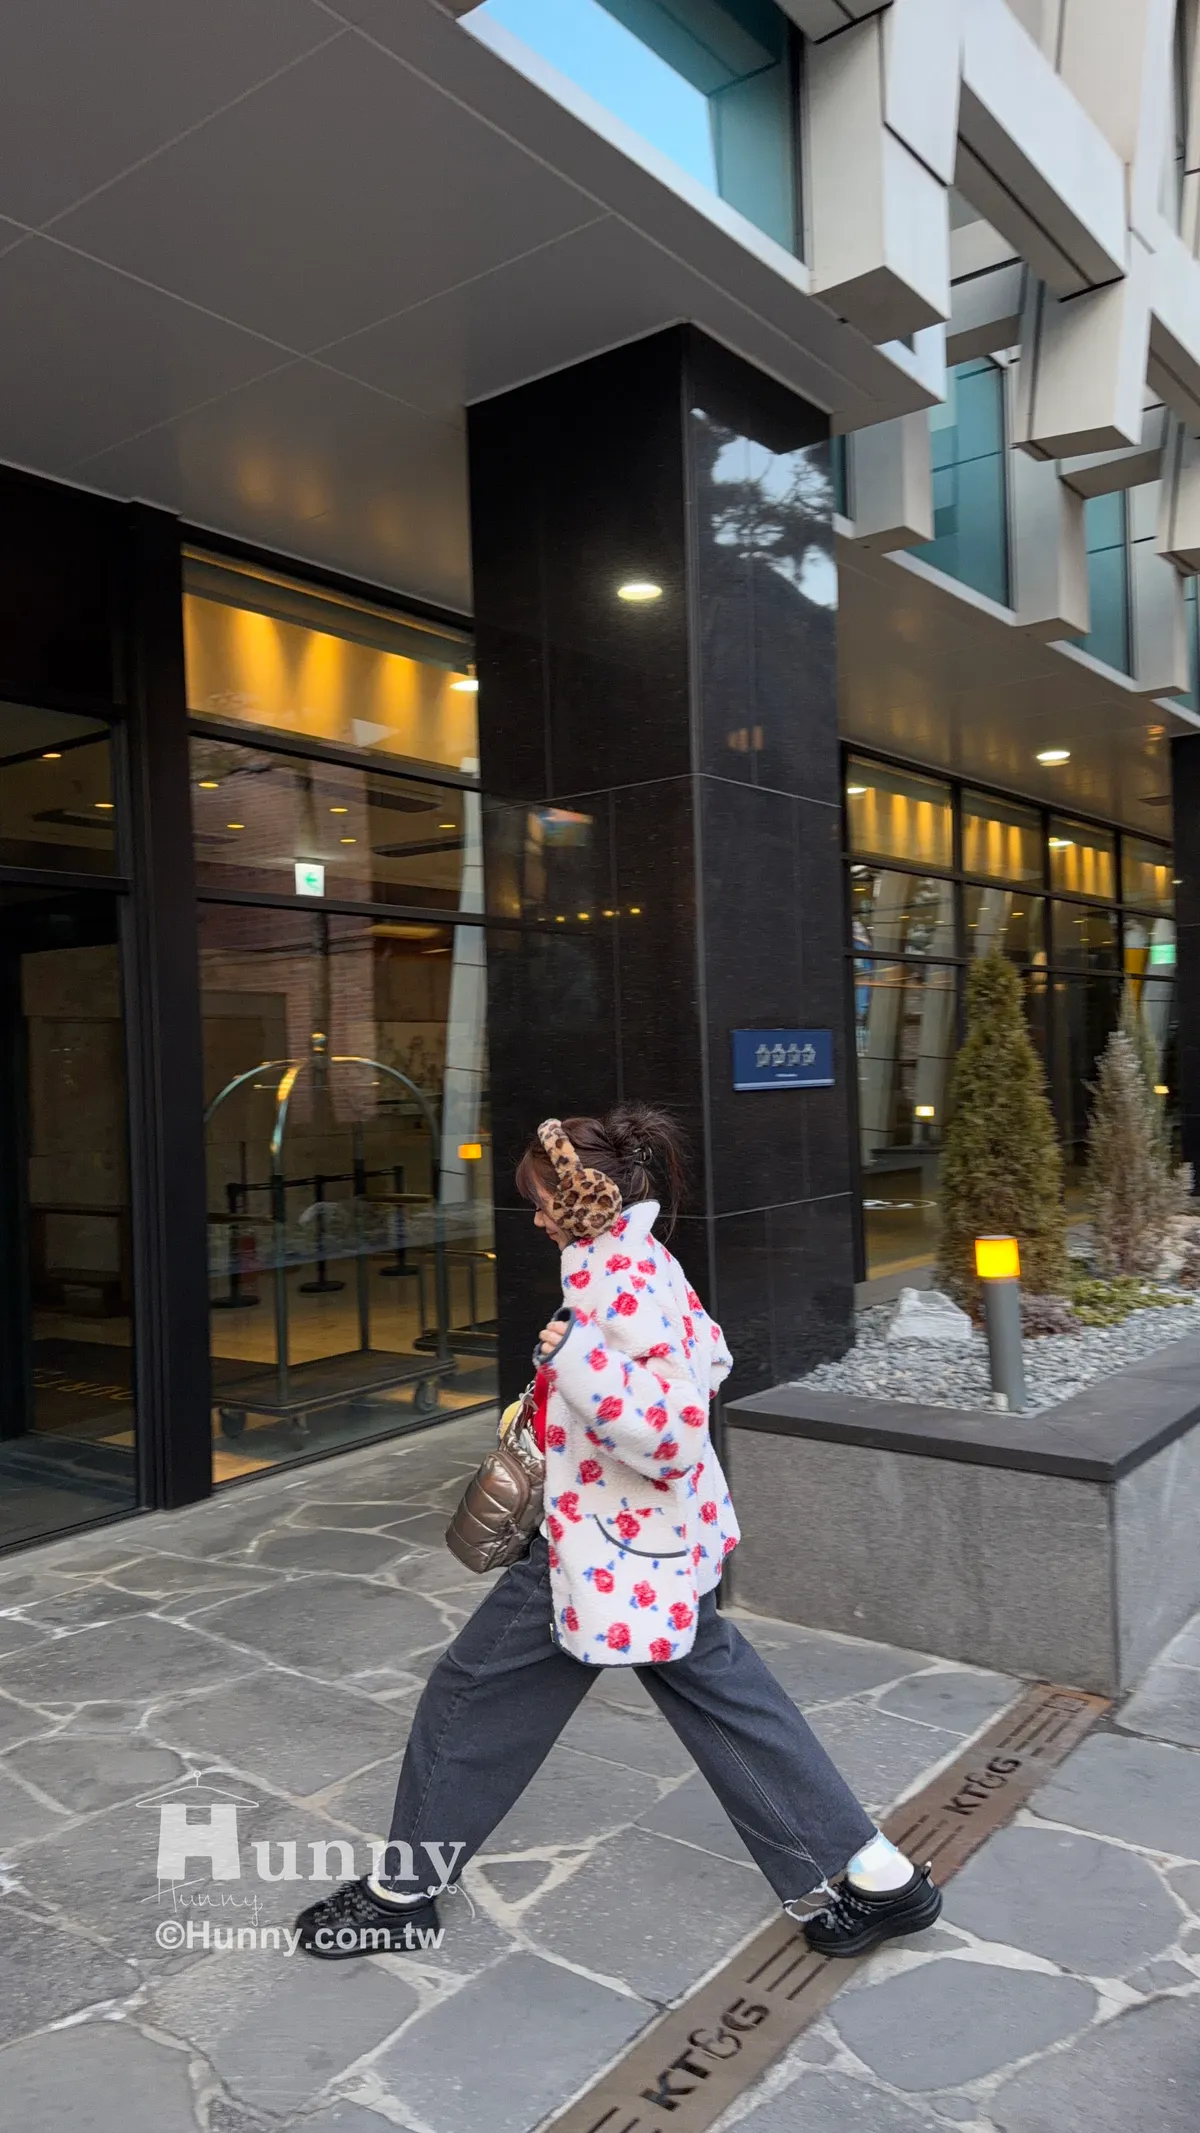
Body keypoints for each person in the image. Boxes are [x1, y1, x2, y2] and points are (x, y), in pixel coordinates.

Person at [296, 1105, 942, 1962]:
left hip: (606, 1546)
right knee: (722, 1703)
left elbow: (672, 1432)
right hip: (643, 1543)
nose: (533, 1216)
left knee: (470, 1693)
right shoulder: (635, 1258)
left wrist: (571, 1359)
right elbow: (711, 1353)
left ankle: (401, 1894)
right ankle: (877, 1874)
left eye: (538, 1199)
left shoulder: (618, 1272)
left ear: (578, 1197)